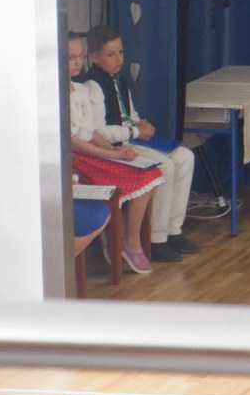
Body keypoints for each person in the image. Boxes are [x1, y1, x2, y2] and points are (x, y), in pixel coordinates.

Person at [79, 25, 198, 264]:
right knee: (164, 167)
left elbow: (129, 114)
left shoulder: (119, 80)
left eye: (121, 52)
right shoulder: (92, 85)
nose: (118, 59)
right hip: (113, 147)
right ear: (94, 57)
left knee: (185, 156)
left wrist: (140, 122)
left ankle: (173, 229)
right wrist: (134, 130)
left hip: (130, 139)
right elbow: (98, 131)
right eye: (110, 54)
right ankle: (157, 237)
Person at [66, 32, 162, 274]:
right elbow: (73, 141)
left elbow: (91, 131)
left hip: (94, 150)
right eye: (70, 58)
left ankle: (128, 240)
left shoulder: (80, 89)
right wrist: (111, 155)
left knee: (151, 173)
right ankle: (123, 241)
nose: (77, 63)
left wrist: (115, 150)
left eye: (80, 56)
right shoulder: (56, 96)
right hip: (78, 159)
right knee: (143, 177)